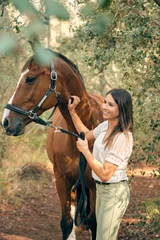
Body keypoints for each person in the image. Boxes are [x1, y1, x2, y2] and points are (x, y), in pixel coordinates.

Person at [68, 88, 134, 240]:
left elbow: (105, 174)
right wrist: (72, 111)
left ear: (122, 108)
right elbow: (85, 133)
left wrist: (86, 152)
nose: (104, 106)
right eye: (105, 102)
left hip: (113, 193)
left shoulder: (123, 137)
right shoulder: (105, 126)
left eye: (110, 105)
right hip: (101, 190)